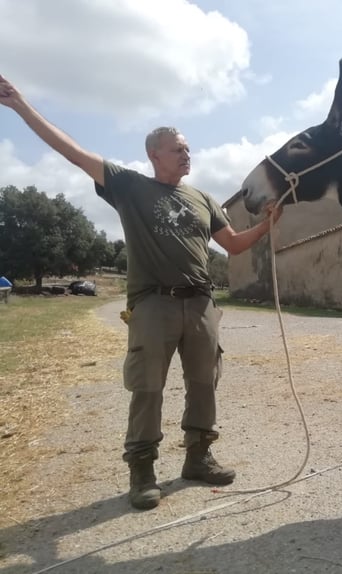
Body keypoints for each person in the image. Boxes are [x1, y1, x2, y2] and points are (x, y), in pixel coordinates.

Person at [0, 74, 281, 510]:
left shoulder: (203, 198)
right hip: (154, 303)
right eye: (178, 148)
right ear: (154, 155)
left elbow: (233, 245)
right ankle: (143, 470)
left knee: (204, 382)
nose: (187, 153)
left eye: (188, 148)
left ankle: (198, 457)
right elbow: (72, 153)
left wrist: (267, 224)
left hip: (203, 303)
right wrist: (19, 104)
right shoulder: (129, 186)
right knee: (147, 387)